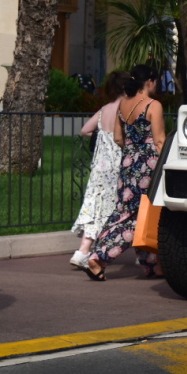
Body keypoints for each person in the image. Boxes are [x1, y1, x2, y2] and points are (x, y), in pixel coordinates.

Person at [85, 65, 166, 281]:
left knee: (127, 212)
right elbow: (159, 140)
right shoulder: (153, 105)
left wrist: (133, 152)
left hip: (128, 165)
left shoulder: (122, 104)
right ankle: (98, 257)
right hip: (149, 166)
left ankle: (152, 266)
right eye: (155, 81)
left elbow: (119, 139)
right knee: (139, 216)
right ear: (149, 81)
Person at [69, 70, 131, 269]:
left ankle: (83, 251)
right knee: (126, 207)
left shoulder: (105, 109)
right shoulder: (125, 109)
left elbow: (85, 130)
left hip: (100, 166)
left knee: (95, 205)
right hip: (118, 164)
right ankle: (143, 251)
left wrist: (100, 138)